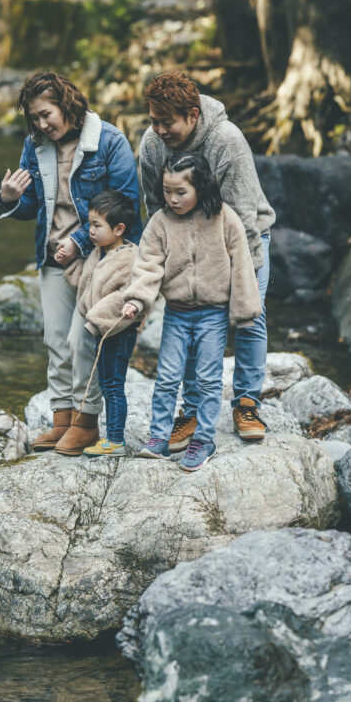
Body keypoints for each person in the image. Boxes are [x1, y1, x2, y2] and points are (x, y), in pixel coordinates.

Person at [0, 71, 143, 456]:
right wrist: (9, 197)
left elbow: (125, 202)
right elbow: (33, 206)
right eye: (35, 118)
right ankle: (61, 419)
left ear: (66, 103)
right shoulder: (36, 145)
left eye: (47, 114)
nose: (42, 125)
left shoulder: (108, 141)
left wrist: (79, 242)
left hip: (99, 258)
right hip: (52, 255)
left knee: (83, 339)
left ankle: (85, 421)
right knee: (56, 341)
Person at [138, 71, 275, 443]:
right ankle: (193, 410)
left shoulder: (226, 141)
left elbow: (243, 215)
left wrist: (244, 281)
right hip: (184, 242)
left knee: (250, 317)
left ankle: (246, 402)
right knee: (191, 322)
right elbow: (155, 210)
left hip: (243, 237)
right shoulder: (151, 146)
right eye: (154, 121)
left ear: (193, 116)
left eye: (167, 123)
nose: (159, 130)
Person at [122, 153, 262, 471]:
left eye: (180, 192)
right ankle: (158, 438)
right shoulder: (160, 223)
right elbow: (147, 265)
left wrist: (244, 311)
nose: (172, 198)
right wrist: (138, 299)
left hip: (213, 314)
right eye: (167, 191)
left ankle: (203, 439)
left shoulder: (224, 218)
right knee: (168, 378)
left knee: (209, 380)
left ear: (200, 186)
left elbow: (241, 266)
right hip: (176, 313)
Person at [63, 189, 140, 458]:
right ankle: (110, 437)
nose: (90, 231)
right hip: (102, 332)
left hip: (117, 332)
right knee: (106, 382)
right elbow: (84, 281)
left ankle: (115, 439)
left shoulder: (129, 257)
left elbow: (125, 297)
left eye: (97, 225)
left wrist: (96, 320)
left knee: (112, 385)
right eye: (89, 224)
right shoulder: (98, 252)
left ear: (119, 229)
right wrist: (68, 263)